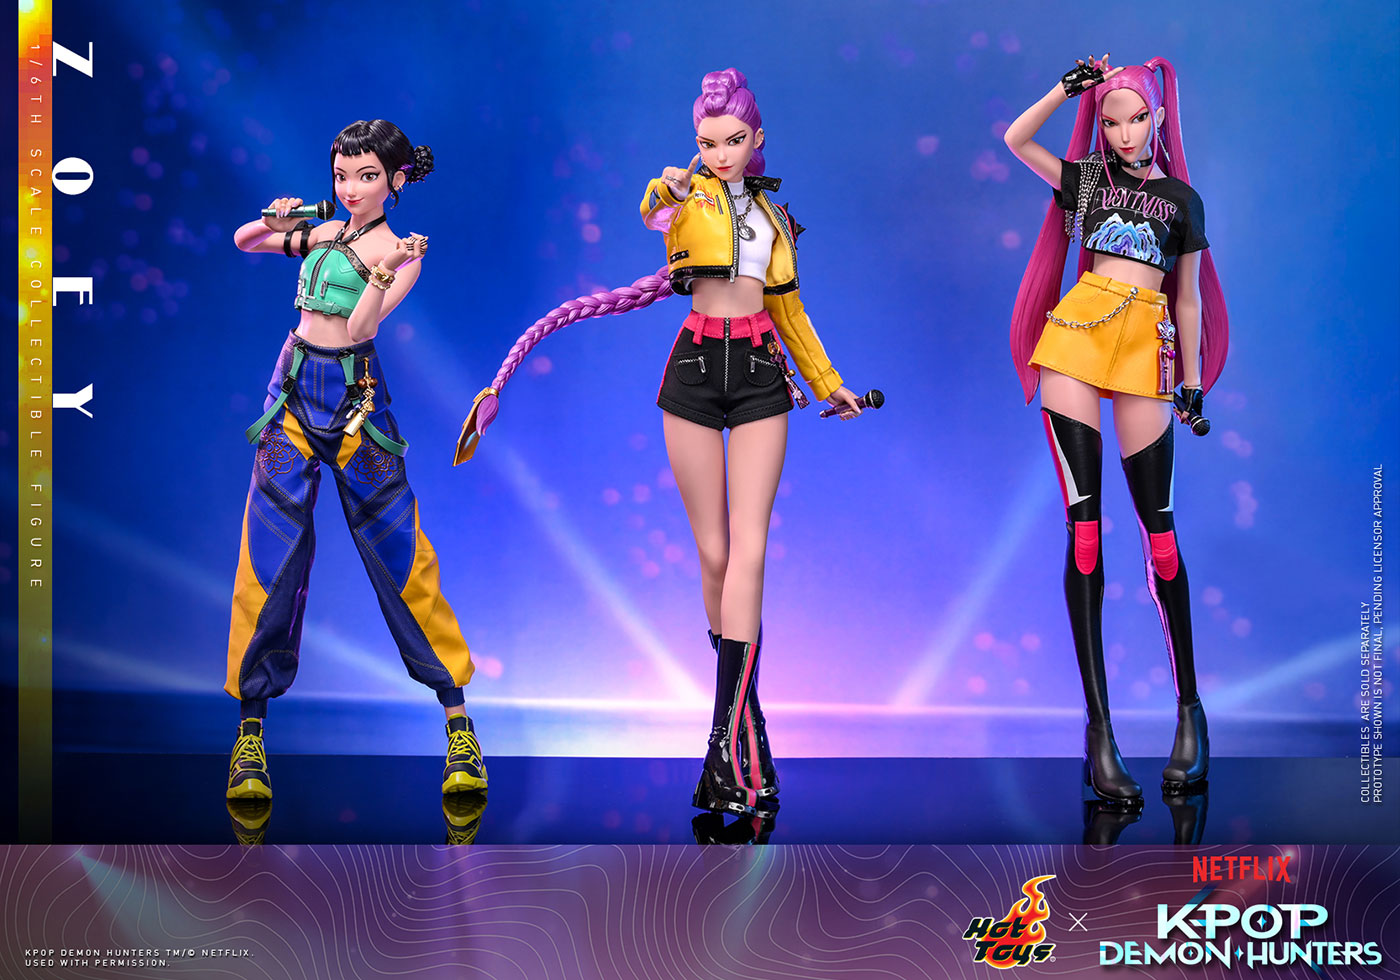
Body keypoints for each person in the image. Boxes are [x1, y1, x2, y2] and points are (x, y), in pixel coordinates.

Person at [456, 69, 868, 816]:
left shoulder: (775, 219)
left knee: (749, 551)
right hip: (694, 369)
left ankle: (721, 746)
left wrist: (828, 382)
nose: (720, 153)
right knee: (713, 555)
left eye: (733, 141)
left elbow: (792, 312)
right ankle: (747, 731)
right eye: (707, 142)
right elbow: (653, 207)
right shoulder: (685, 196)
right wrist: (672, 186)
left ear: (757, 139)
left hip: (761, 373)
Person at [223, 120, 485, 802]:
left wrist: (384, 268)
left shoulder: (402, 250)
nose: (351, 188)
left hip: (354, 398)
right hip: (290, 387)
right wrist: (280, 217)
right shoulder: (326, 231)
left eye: (367, 176)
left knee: (399, 551)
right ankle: (249, 734)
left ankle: (458, 723)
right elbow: (244, 240)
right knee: (269, 552)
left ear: (396, 180)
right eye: (342, 175)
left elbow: (364, 327)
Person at [1004, 55, 1229, 804]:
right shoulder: (1089, 182)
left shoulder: (1181, 200)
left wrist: (1191, 379)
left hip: (1145, 352)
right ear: (1099, 123)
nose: (1125, 133)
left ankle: (1189, 713)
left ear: (1158, 117)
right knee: (1086, 534)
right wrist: (1062, 90)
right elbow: (1016, 140)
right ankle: (1099, 735)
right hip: (1075, 337)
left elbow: (1188, 299)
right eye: (1111, 121)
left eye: (1136, 119)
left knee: (1159, 536)